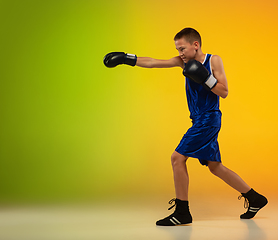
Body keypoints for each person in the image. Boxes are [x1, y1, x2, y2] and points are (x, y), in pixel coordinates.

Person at [103, 27, 268, 226]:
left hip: (208, 118)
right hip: (198, 119)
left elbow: (224, 92)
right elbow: (155, 62)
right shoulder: (184, 62)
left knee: (177, 158)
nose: (180, 53)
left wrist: (205, 77)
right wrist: (127, 58)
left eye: (182, 48)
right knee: (215, 167)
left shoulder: (213, 60)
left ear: (195, 45)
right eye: (178, 49)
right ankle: (255, 198)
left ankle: (182, 212)